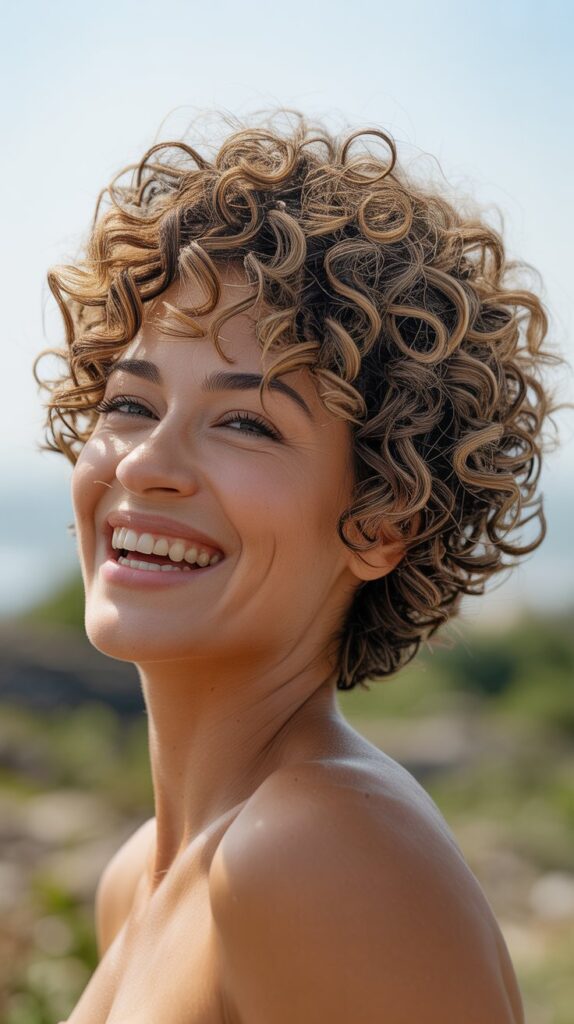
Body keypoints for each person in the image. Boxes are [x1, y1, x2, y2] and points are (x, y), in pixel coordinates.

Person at [34, 108, 556, 1023]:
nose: (146, 464)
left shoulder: (317, 854)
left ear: (380, 521)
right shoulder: (139, 878)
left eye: (246, 422)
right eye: (128, 403)